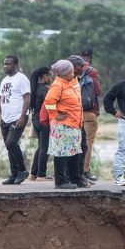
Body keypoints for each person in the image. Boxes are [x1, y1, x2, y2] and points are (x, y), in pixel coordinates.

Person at [43, 59, 83, 190]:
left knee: (73, 152)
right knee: (61, 153)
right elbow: (49, 101)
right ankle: (60, 181)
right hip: (63, 126)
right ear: (64, 73)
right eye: (71, 72)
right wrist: (55, 115)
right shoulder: (58, 85)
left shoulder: (70, 82)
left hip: (73, 124)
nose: (73, 73)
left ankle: (74, 178)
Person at [0, 54, 31, 185]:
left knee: (11, 143)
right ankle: (14, 175)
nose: (5, 66)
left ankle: (22, 170)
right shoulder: (4, 81)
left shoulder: (21, 78)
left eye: (8, 64)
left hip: (17, 118)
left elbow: (27, 98)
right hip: (5, 118)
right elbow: (0, 100)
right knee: (9, 147)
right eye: (4, 64)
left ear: (15, 65)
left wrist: (22, 116)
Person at [68, 55, 93, 187]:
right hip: (68, 122)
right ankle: (73, 178)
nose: (83, 68)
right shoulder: (64, 81)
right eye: (81, 66)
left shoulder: (76, 80)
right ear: (73, 67)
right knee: (72, 150)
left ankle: (78, 176)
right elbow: (50, 102)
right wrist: (57, 114)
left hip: (78, 120)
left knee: (82, 147)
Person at [78, 46, 102, 182]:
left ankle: (72, 171)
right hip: (90, 112)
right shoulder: (92, 71)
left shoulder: (71, 70)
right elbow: (97, 91)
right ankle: (85, 171)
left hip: (74, 112)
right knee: (87, 143)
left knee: (75, 142)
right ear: (91, 57)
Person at [27, 65, 53, 181]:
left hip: (35, 120)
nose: (51, 77)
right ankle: (41, 174)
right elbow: (50, 105)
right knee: (45, 147)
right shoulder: (44, 90)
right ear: (44, 76)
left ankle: (33, 173)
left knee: (41, 146)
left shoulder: (36, 88)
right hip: (43, 121)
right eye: (50, 75)